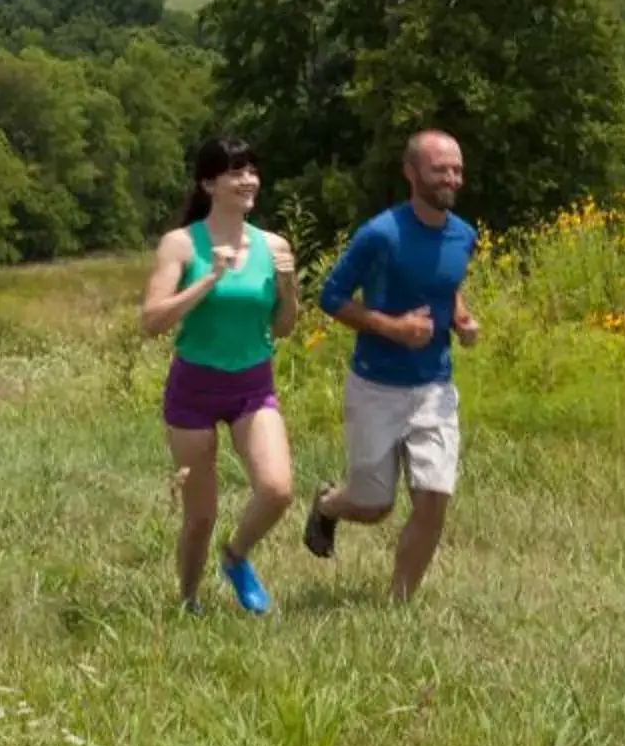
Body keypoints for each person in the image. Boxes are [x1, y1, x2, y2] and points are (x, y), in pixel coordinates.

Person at [303, 130, 478, 603]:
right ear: (411, 172)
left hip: (434, 387)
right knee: (374, 504)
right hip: (375, 386)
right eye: (440, 169)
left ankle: (398, 603)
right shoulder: (380, 234)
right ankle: (327, 504)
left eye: (457, 169)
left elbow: (448, 287)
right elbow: (331, 298)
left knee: (434, 498)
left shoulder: (464, 235)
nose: (451, 179)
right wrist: (393, 327)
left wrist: (460, 318)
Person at [140, 135, 299, 614]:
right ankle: (189, 602)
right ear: (209, 182)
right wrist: (210, 280)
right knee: (200, 516)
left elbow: (285, 326)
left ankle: (235, 558)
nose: (248, 180)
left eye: (252, 170)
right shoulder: (183, 244)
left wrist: (288, 285)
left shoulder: (273, 246)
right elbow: (151, 322)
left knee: (277, 490)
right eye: (235, 171)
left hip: (252, 385)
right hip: (194, 389)